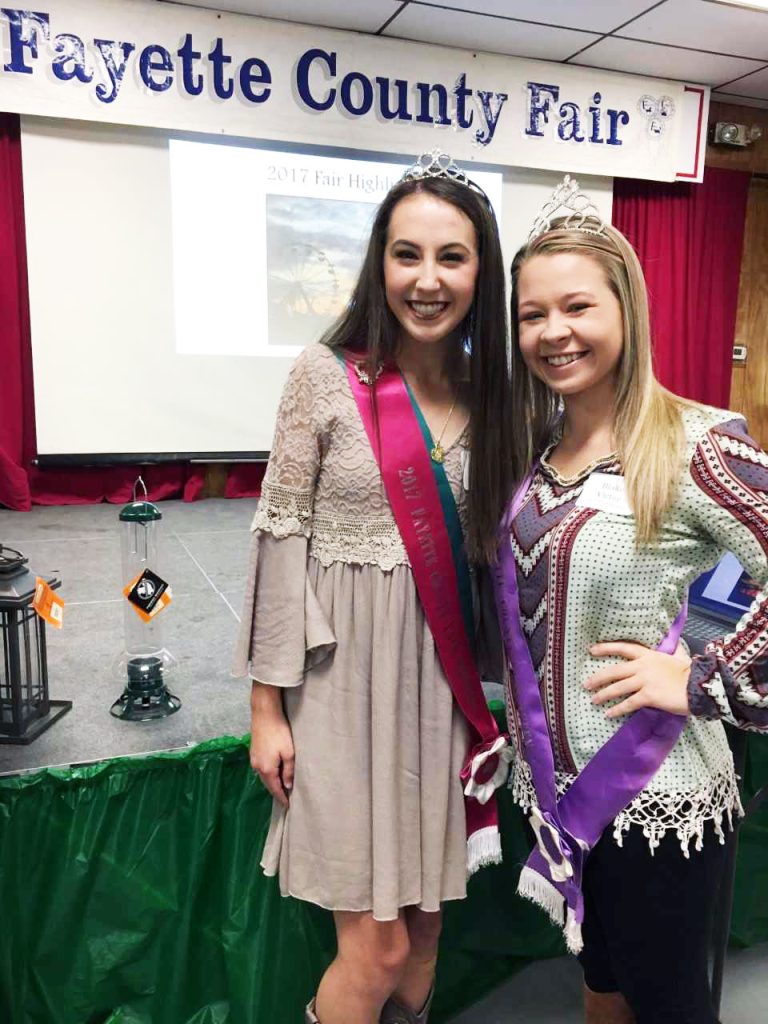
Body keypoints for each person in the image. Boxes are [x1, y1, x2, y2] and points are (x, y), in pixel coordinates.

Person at [233, 151, 516, 1024]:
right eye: (407, 254)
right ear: (378, 263)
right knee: (377, 948)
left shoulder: (492, 396)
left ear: (480, 272)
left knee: (426, 930)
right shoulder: (323, 375)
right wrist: (267, 707)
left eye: (452, 257)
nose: (427, 280)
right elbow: (281, 537)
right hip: (339, 690)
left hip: (435, 693)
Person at [488, 176, 768, 1024]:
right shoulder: (541, 448)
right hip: (559, 795)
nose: (554, 331)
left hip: (659, 800)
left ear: (626, 310)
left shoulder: (697, 444)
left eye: (578, 306)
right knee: (601, 988)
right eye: (533, 314)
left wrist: (701, 677)